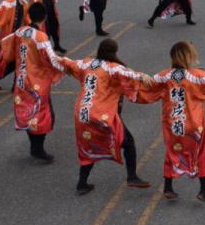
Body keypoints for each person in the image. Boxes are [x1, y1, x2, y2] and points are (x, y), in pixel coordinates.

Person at [134, 41, 205, 202]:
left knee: (172, 152)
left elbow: (146, 85)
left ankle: (168, 188)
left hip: (173, 124)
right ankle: (202, 191)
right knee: (202, 153)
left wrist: (139, 75)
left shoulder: (164, 76)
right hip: (193, 124)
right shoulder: (196, 76)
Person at [56, 38, 152, 194]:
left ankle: (82, 183)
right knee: (128, 142)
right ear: (114, 52)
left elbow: (67, 62)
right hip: (101, 113)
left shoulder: (86, 63)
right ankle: (132, 176)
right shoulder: (113, 68)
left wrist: (51, 55)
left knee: (88, 146)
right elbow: (130, 74)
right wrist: (144, 77)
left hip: (83, 113)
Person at [0, 2, 66, 162]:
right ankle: (37, 148)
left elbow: (7, 50)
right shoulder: (41, 37)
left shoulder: (20, 31)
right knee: (44, 114)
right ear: (44, 17)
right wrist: (66, 67)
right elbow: (51, 58)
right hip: (37, 81)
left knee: (27, 111)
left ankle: (35, 146)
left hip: (22, 79)